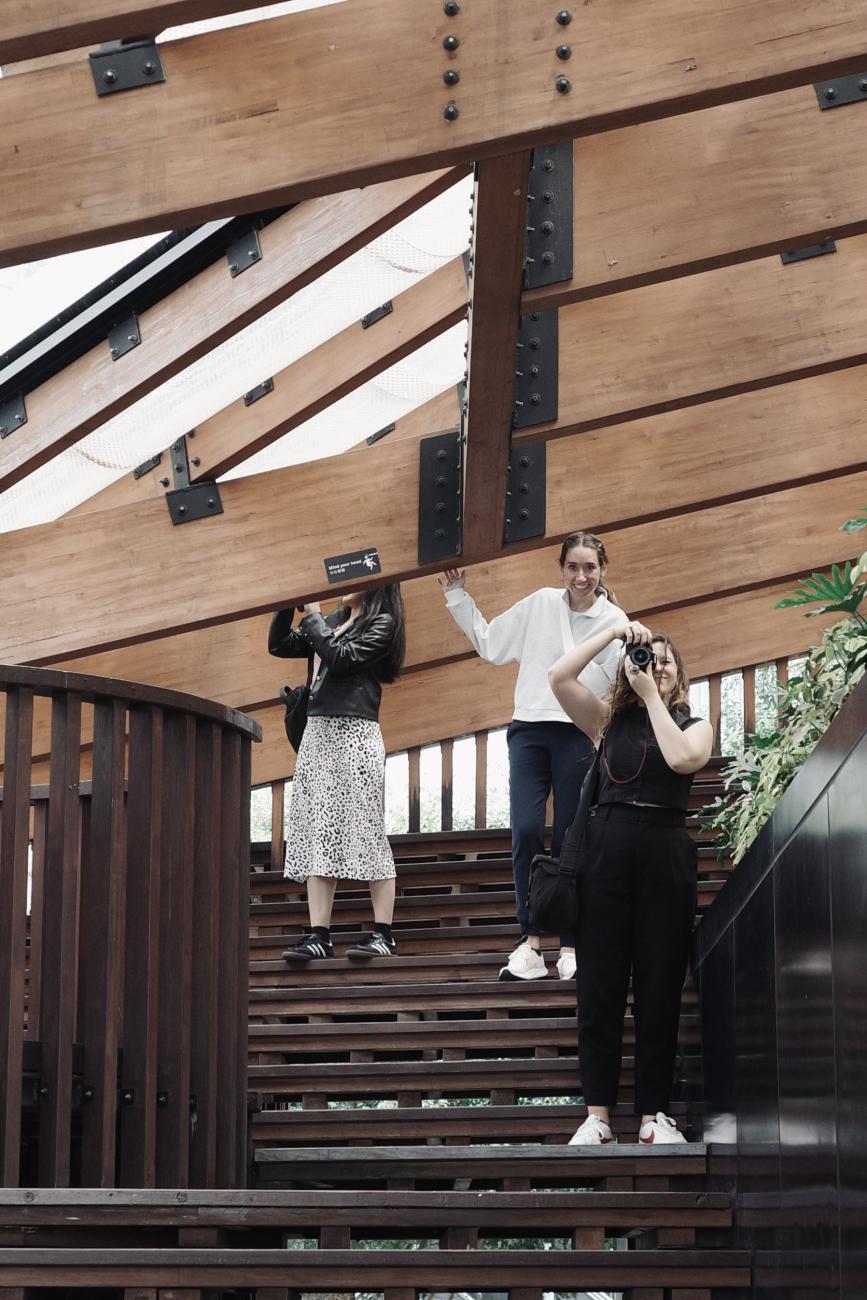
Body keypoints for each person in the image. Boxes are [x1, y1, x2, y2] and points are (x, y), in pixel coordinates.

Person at [548, 620, 713, 1144]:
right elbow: (558, 676)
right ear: (629, 665)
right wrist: (615, 634)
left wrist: (651, 697)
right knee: (600, 985)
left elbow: (684, 758)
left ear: (678, 674)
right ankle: (597, 1116)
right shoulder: (606, 720)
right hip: (608, 847)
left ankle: (651, 1117)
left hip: (666, 847)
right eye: (647, 658)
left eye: (665, 660)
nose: (656, 666)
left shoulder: (695, 723)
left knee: (660, 983)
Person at [438, 532, 626, 981]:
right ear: (561, 569)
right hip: (528, 731)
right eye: (573, 567)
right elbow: (490, 643)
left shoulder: (615, 619)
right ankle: (529, 941)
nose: (581, 577)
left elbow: (622, 682)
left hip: (578, 734)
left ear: (603, 570)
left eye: (590, 568)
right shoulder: (540, 604)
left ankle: (570, 944)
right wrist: (455, 594)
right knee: (525, 830)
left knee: (568, 837)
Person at [268, 584, 406, 961]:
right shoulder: (333, 621)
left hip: (355, 732)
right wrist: (286, 606)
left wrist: (312, 616)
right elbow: (279, 645)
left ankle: (383, 933)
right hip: (317, 731)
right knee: (318, 827)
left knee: (366, 826)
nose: (343, 587)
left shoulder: (382, 622)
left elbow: (341, 658)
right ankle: (319, 934)